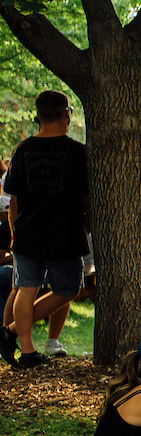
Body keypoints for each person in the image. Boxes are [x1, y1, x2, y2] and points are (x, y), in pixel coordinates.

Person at [1, 91, 89, 369]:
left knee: (26, 288)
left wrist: (15, 230)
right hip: (65, 234)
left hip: (27, 231)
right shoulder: (77, 152)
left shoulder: (22, 150)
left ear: (37, 117)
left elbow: (13, 198)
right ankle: (16, 338)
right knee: (68, 289)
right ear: (67, 115)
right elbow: (87, 198)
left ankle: (19, 342)